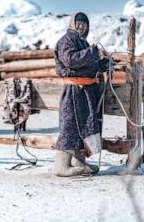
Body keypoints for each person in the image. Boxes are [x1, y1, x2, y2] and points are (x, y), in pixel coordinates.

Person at [53, 12, 113, 177]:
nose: (81, 26)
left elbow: (87, 66)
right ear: (72, 23)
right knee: (69, 126)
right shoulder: (66, 41)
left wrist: (101, 65)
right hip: (72, 91)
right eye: (78, 23)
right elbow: (70, 60)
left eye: (84, 24)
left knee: (85, 127)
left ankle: (80, 163)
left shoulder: (83, 42)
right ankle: (61, 165)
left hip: (85, 91)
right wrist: (91, 54)